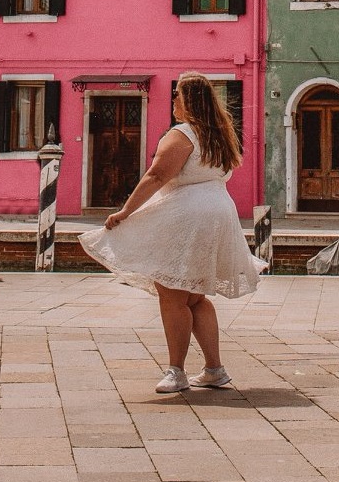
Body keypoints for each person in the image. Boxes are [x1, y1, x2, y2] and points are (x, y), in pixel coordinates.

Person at [79, 72, 266, 393]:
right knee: (196, 296)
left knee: (172, 293)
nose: (174, 101)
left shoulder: (182, 135)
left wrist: (126, 212)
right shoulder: (219, 135)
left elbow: (155, 176)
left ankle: (176, 371)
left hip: (190, 218)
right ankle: (214, 369)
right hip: (219, 212)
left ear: (189, 100)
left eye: (177, 95)